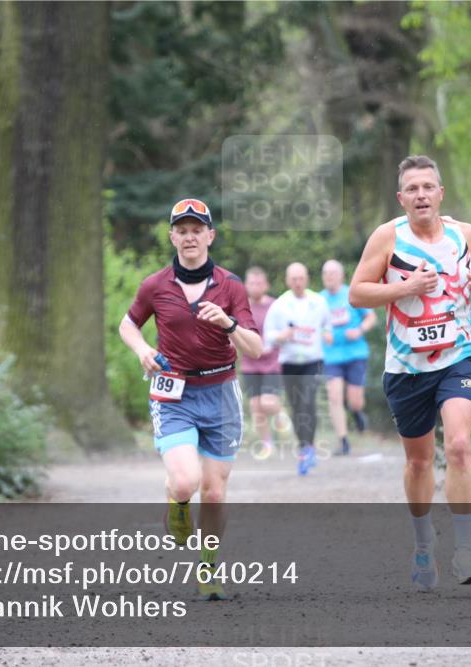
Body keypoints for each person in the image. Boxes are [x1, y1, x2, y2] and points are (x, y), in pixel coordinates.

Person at [349, 155, 471, 590]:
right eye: (412, 189)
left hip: (459, 355)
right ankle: (422, 544)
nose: (421, 195)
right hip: (406, 367)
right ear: (401, 198)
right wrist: (406, 287)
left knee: (459, 445)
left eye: (428, 187)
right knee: (418, 462)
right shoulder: (387, 237)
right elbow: (357, 293)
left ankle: (465, 549)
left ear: (440, 193)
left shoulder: (463, 234)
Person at [119, 197, 262, 601]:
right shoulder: (155, 285)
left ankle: (208, 567)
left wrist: (229, 323)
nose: (189, 237)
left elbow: (254, 348)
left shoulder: (231, 286)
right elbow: (127, 325)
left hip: (221, 393)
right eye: (181, 231)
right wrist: (142, 350)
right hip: (174, 393)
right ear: (172, 237)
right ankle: (176, 501)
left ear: (210, 236)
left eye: (197, 230)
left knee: (214, 492)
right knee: (185, 481)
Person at [263, 262, 331, 476]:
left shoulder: (318, 302)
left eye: (301, 278)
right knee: (296, 406)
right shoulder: (280, 305)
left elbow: (327, 324)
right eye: (294, 279)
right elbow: (268, 335)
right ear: (287, 280)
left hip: (313, 360)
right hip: (290, 362)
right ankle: (303, 447)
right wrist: (281, 336)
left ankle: (309, 447)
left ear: (307, 278)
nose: (298, 282)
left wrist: (327, 334)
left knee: (308, 401)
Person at [320, 259, 377, 456]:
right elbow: (313, 324)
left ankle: (356, 412)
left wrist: (359, 330)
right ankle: (343, 440)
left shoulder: (352, 294)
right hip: (331, 356)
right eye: (326, 273)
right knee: (334, 397)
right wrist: (323, 333)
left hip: (355, 353)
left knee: (355, 401)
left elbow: (371, 318)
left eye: (333, 273)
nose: (329, 277)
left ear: (341, 275)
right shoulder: (318, 300)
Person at [241, 267, 284, 460]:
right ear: (246, 285)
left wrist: (271, 343)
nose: (255, 287)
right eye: (252, 283)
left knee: (268, 402)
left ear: (266, 285)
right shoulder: (241, 307)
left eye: (259, 283)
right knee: (255, 406)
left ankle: (281, 414)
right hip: (249, 363)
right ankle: (267, 443)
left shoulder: (275, 306)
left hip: (271, 362)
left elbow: (285, 331)